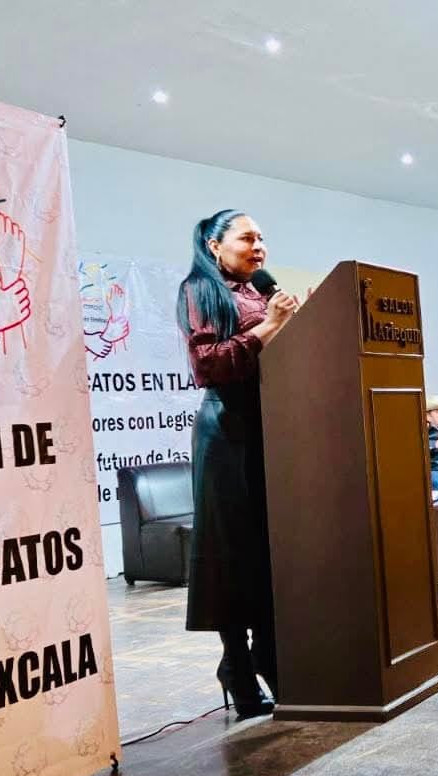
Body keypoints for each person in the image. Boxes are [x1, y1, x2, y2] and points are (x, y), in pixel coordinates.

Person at [175, 209, 299, 719]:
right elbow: (207, 364)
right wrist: (271, 325)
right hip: (226, 432)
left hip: (270, 429)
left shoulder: (260, 291)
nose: (259, 246)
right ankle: (239, 668)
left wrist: (294, 323)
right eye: (247, 238)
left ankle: (271, 655)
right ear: (214, 244)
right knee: (231, 555)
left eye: (262, 238)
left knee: (270, 550)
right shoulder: (200, 290)